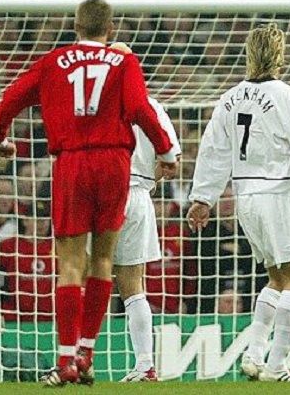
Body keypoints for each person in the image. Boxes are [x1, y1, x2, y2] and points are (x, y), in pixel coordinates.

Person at [0, 0, 178, 386]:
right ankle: (87, 350)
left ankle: (66, 360)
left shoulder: (53, 61)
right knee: (104, 261)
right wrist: (166, 151)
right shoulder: (124, 63)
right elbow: (141, 109)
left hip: (71, 162)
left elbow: (9, 99)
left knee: (72, 264)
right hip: (114, 164)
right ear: (110, 30)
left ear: (75, 26)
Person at [186, 23, 290, 383]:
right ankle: (276, 367)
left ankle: (254, 357)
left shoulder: (229, 98)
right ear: (280, 54)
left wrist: (203, 198)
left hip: (246, 199)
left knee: (276, 277)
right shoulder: (288, 96)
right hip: (280, 193)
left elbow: (213, 151)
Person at [109, 41, 182, 382]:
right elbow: (173, 163)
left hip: (101, 194)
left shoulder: (96, 104)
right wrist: (144, 178)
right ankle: (144, 366)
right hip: (138, 196)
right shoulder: (152, 106)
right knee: (133, 287)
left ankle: (75, 359)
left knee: (82, 277)